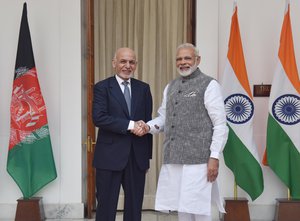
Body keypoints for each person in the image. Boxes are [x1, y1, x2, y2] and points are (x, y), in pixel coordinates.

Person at [136, 43, 228, 221]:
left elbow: (220, 124)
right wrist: (147, 126)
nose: (183, 62)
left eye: (187, 58)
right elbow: (164, 118)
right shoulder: (170, 87)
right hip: (174, 158)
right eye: (179, 59)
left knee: (199, 209)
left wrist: (214, 157)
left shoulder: (209, 85)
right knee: (182, 209)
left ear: (197, 60)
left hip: (199, 160)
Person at [92, 47, 153, 221]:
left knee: (135, 208)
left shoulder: (143, 88)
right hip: (108, 158)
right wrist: (130, 124)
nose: (127, 66)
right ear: (114, 63)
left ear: (136, 65)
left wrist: (146, 158)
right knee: (105, 207)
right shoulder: (102, 87)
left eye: (131, 62)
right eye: (123, 61)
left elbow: (147, 123)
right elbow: (99, 118)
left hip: (136, 158)